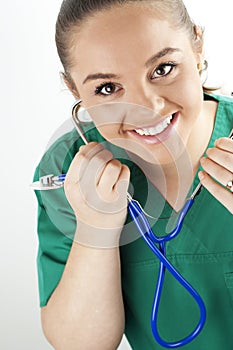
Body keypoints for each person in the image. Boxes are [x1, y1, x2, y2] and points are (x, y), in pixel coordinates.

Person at [33, 0, 233, 349]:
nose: (147, 108)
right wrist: (95, 226)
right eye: (108, 88)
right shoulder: (68, 168)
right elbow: (83, 344)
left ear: (197, 47)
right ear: (75, 90)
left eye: (163, 68)